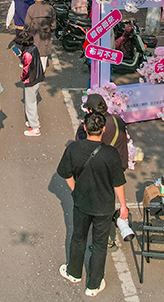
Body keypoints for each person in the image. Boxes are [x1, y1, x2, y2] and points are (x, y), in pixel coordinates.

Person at [57, 112, 129, 297]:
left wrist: (75, 190)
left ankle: (73, 272)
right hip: (104, 206)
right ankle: (94, 284)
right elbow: (118, 183)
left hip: (82, 203)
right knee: (99, 244)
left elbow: (65, 173)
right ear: (103, 129)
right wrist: (123, 205)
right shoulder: (111, 153)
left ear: (85, 127)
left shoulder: (74, 149)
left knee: (78, 237)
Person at [75, 94, 129, 171]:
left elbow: (81, 142)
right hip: (119, 164)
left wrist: (83, 126)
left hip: (103, 167)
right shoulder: (117, 119)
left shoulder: (96, 126)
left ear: (90, 111)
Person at [15, 29, 45, 137]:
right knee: (33, 101)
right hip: (38, 77)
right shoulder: (34, 48)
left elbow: (25, 70)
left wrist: (23, 78)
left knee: (30, 104)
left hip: (31, 80)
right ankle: (34, 121)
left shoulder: (27, 54)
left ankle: (35, 127)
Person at [25, 0, 56, 71]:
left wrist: (27, 33)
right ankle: (42, 72)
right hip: (46, 35)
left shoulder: (32, 8)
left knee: (34, 53)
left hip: (34, 35)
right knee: (44, 55)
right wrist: (51, 30)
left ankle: (35, 71)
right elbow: (53, 25)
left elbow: (27, 24)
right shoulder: (50, 8)